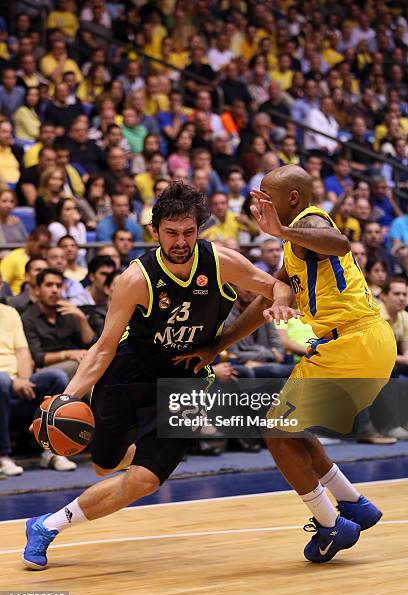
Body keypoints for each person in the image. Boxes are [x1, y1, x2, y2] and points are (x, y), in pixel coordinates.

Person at [22, 181, 295, 570]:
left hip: (187, 382)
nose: (181, 241)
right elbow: (103, 347)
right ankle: (137, 453)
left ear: (198, 229)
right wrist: (68, 398)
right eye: (171, 233)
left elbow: (276, 286)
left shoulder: (221, 261)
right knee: (103, 465)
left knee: (145, 481)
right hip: (131, 374)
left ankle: (45, 526)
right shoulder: (135, 279)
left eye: (188, 231)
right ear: (155, 231)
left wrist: (281, 302)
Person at [176, 165, 397, 563]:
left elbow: (340, 243)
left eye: (266, 194)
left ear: (292, 198)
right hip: (359, 342)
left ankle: (331, 526)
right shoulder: (296, 243)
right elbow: (266, 297)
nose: (259, 201)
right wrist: (219, 345)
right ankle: (353, 503)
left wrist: (282, 232)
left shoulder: (308, 223)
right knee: (290, 428)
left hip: (351, 341)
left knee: (276, 431)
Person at [0, 302, 71, 476]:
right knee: (1, 381)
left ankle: (52, 452)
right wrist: (12, 380)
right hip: (4, 382)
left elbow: (23, 351)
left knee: (57, 378)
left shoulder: (10, 312)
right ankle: (3, 456)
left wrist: (23, 380)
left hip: (17, 383)